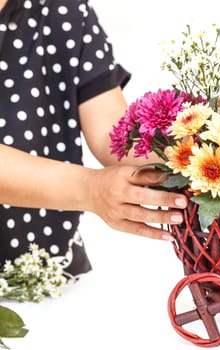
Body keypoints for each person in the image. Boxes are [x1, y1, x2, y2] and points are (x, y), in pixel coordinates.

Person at [0, 0, 187, 281]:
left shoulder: (61, 10)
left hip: (45, 276)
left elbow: (113, 135)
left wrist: (196, 137)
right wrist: (90, 188)